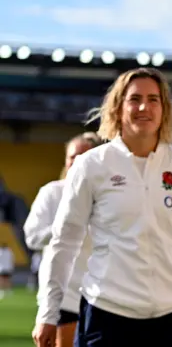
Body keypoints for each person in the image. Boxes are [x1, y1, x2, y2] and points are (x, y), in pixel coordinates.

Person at [31, 67, 172, 347]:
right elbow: (64, 242)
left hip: (171, 316)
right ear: (117, 107)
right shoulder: (91, 165)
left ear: (164, 109)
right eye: (134, 99)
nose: (144, 107)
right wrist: (48, 312)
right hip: (107, 314)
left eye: (154, 99)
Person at [24, 132, 101, 347]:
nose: (76, 162)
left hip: (101, 294)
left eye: (83, 156)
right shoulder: (51, 193)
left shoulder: (108, 195)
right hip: (63, 294)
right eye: (72, 156)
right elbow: (32, 237)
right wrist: (63, 227)